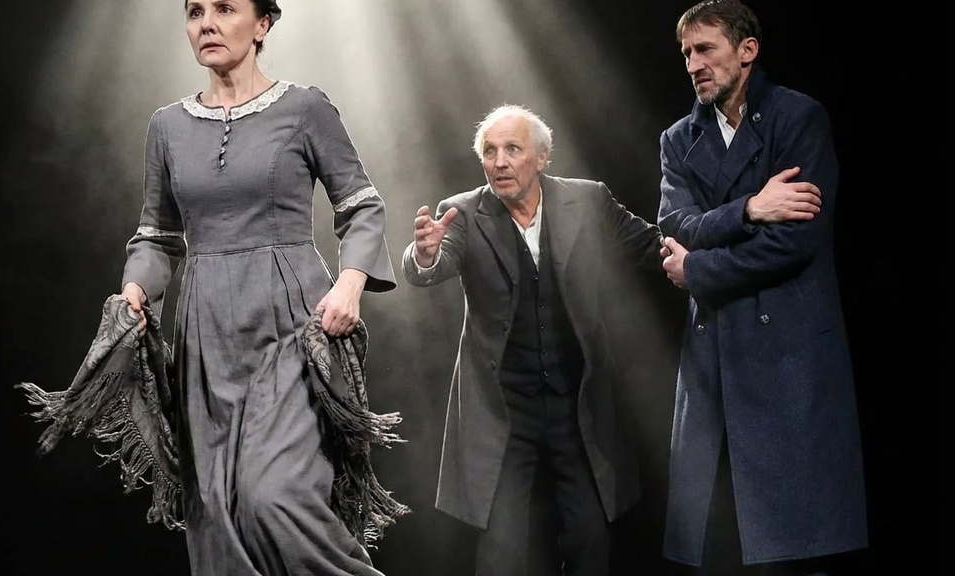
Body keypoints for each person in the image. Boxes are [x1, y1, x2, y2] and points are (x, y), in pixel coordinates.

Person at [118, 1, 402, 574]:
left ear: (263, 24)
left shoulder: (304, 108)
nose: (207, 23)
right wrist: (134, 291)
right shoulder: (167, 126)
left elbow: (362, 207)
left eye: (225, 8)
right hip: (206, 338)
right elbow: (157, 236)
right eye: (195, 11)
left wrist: (350, 285)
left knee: (273, 497)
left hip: (289, 324)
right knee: (216, 511)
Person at [402, 104, 665, 576]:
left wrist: (725, 239)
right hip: (503, 410)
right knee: (501, 552)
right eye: (490, 152)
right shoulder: (462, 213)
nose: (500, 162)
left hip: (576, 405)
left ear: (542, 157)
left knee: (590, 538)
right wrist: (423, 254)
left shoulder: (587, 200)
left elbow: (653, 245)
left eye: (512, 149)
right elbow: (431, 265)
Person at [656, 1, 868, 575]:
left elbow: (794, 242)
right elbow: (675, 228)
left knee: (795, 546)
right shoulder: (678, 139)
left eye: (705, 49)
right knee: (719, 545)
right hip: (712, 358)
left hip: (788, 354)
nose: (693, 65)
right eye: (686, 53)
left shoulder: (797, 118)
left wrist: (698, 272)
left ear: (747, 49)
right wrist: (751, 207)